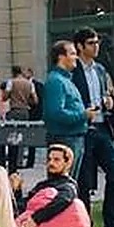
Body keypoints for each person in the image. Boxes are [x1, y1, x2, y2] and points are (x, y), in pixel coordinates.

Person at [72, 28, 114, 227]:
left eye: (97, 42)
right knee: (84, 181)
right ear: (80, 46)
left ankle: (112, 223)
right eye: (91, 43)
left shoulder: (99, 69)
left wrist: (109, 101)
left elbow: (105, 94)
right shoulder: (72, 71)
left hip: (102, 127)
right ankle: (85, 225)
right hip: (83, 129)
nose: (96, 46)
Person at [16, 144, 92, 227]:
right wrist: (16, 190)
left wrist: (36, 219)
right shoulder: (42, 185)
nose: (51, 163)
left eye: (56, 160)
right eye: (49, 159)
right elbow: (25, 207)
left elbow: (64, 200)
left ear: (68, 164)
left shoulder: (67, 186)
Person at [42, 39, 90, 180]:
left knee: (69, 182)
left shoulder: (65, 80)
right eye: (73, 53)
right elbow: (55, 113)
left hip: (74, 137)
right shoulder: (56, 81)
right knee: (61, 183)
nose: (76, 57)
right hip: (65, 139)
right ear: (61, 57)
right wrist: (83, 115)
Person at [3, 65, 39, 168]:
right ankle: (20, 161)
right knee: (22, 136)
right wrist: (26, 100)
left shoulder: (11, 82)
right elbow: (35, 100)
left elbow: (5, 97)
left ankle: (12, 162)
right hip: (25, 112)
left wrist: (11, 96)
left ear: (13, 72)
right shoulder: (29, 83)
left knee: (11, 136)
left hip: (14, 110)